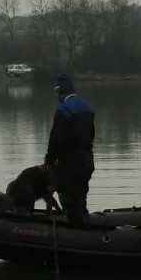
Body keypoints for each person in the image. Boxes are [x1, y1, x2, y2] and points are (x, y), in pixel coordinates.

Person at [45, 74, 95, 226]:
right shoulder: (87, 107)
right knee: (81, 200)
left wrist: (49, 162)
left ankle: (75, 233)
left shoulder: (63, 110)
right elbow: (91, 135)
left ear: (60, 92)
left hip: (69, 165)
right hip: (87, 162)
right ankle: (87, 230)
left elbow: (55, 140)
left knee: (69, 202)